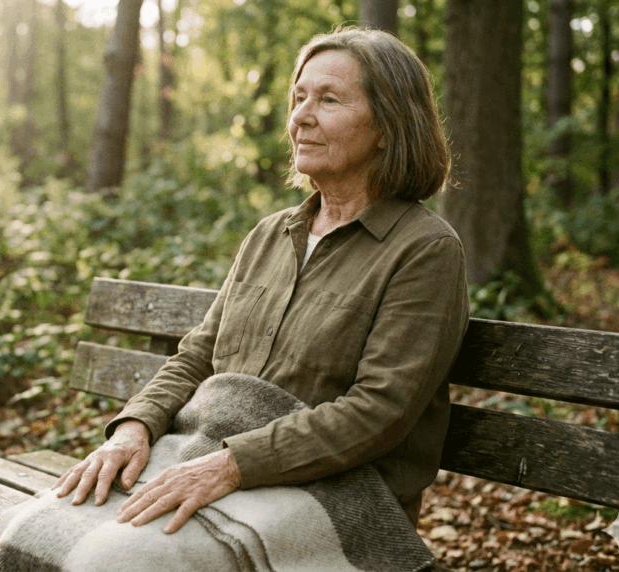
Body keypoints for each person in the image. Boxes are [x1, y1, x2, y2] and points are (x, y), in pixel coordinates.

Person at [53, 26, 469, 535]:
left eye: (329, 100)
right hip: (207, 457)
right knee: (41, 527)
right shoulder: (272, 234)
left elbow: (379, 411)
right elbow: (197, 355)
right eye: (299, 97)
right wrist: (134, 427)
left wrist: (230, 465)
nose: (301, 117)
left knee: (121, 556)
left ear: (388, 126)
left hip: (337, 496)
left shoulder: (425, 250)